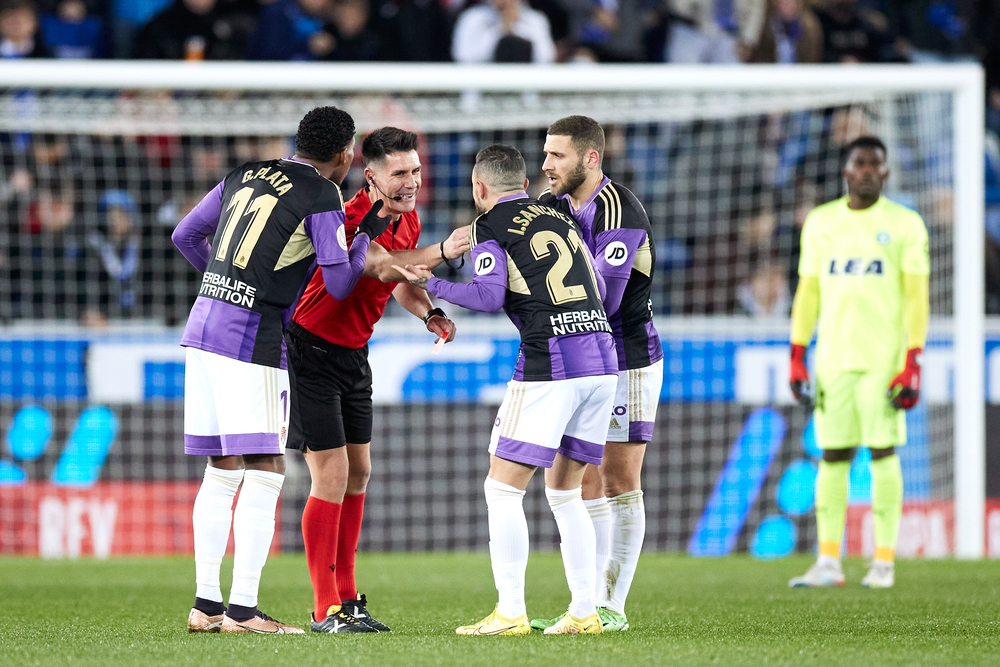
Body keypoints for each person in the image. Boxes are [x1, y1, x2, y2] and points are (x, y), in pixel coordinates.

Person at [171, 106, 392, 634]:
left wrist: (226, 287)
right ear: (345, 155)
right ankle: (244, 611)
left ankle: (206, 607)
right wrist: (369, 232)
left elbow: (185, 236)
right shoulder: (323, 193)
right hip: (250, 338)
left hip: (202, 327)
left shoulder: (242, 173)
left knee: (221, 470)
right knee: (266, 468)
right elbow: (339, 285)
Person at [395, 144, 618, 635]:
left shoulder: (489, 226)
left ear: (480, 188)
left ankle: (510, 612)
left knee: (501, 488)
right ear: (522, 181)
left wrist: (435, 285)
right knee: (565, 491)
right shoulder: (559, 217)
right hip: (603, 356)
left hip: (552, 359)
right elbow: (598, 286)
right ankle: (585, 612)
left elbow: (489, 295)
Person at [286, 126, 468, 634]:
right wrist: (445, 250)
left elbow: (400, 285)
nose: (412, 182)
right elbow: (382, 266)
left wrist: (429, 311)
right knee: (332, 476)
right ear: (369, 176)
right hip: (310, 350)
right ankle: (325, 608)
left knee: (359, 472)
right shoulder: (343, 219)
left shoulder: (407, 219)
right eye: (400, 173)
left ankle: (348, 598)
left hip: (352, 354)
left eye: (415, 170)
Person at [530, 115, 662, 632]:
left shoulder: (617, 209)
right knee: (574, 478)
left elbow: (603, 299)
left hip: (626, 356)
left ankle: (612, 606)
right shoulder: (553, 205)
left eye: (556, 155)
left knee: (618, 478)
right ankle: (584, 606)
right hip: (578, 357)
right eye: (544, 153)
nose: (546, 165)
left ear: (590, 158)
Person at [787, 135, 929, 589]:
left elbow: (916, 298)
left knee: (883, 451)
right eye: (859, 163)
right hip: (832, 359)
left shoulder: (905, 224)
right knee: (832, 455)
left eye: (875, 164)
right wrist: (797, 355)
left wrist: (912, 360)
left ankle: (883, 561)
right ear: (846, 170)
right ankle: (828, 561)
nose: (867, 170)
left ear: (886, 172)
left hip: (883, 361)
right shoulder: (821, 223)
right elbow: (808, 293)